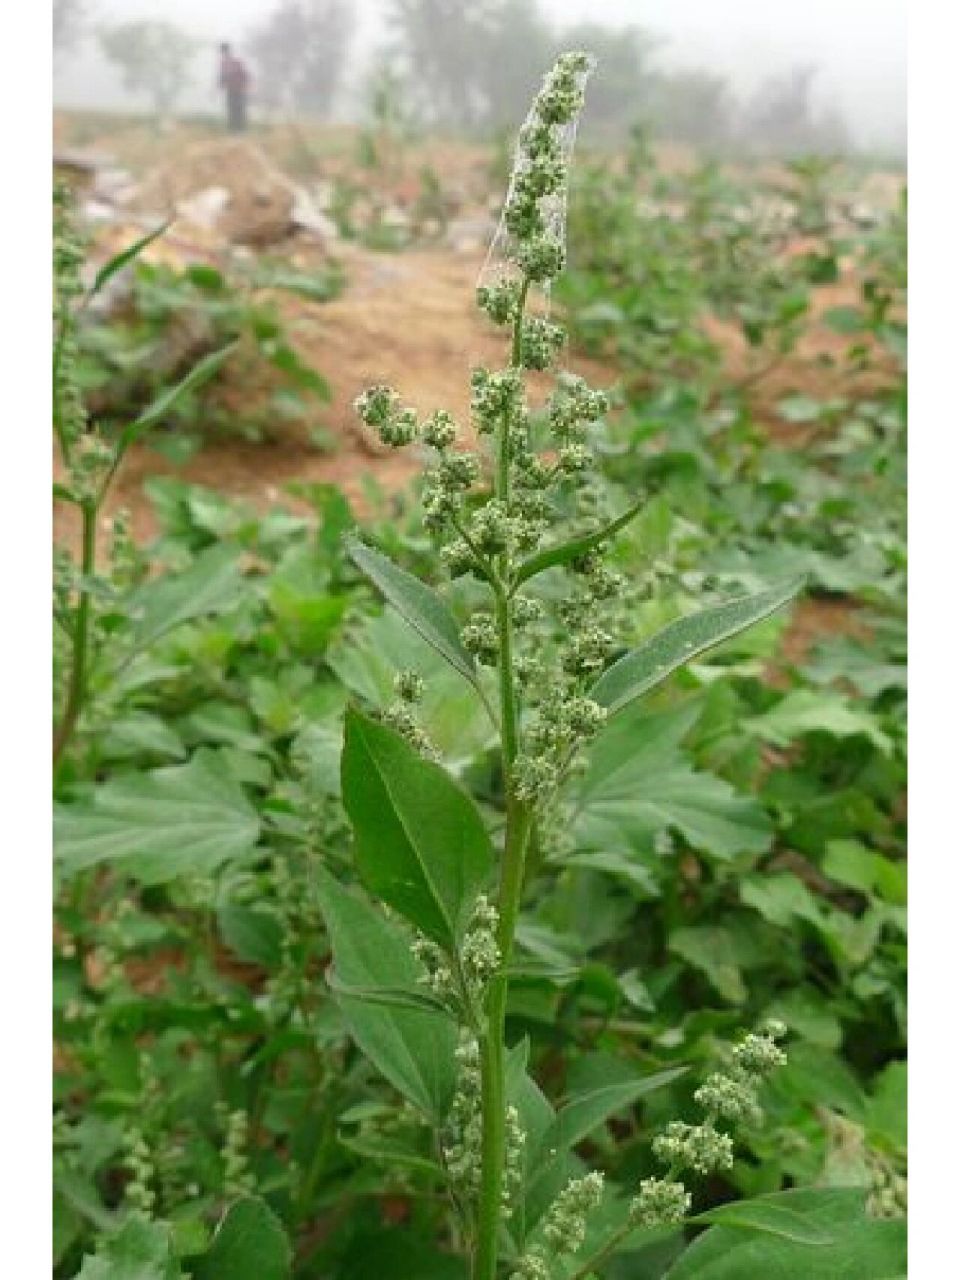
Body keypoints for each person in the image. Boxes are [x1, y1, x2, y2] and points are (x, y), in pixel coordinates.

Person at [218, 43, 251, 134]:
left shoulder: (235, 62)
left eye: (224, 51)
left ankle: (240, 129)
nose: (223, 54)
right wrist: (221, 84)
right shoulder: (224, 63)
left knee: (238, 109)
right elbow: (222, 76)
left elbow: (244, 74)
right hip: (231, 89)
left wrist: (246, 85)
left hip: (238, 89)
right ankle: (233, 129)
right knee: (232, 109)